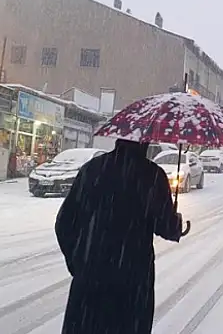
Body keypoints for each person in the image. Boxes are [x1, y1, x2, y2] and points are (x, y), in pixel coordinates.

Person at [55, 139, 186, 334]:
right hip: (133, 283)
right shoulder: (151, 175)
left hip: (91, 279)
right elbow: (166, 226)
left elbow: (64, 223)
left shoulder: (92, 169)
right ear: (144, 144)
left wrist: (79, 262)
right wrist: (176, 222)